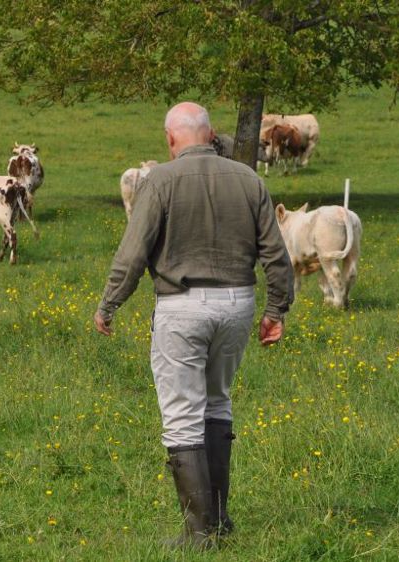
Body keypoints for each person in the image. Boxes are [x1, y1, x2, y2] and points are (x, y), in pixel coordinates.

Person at [93, 102, 294, 549]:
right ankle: (219, 521)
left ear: (170, 139)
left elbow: (133, 252)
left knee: (182, 415)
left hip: (181, 306)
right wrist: (276, 309)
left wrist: (109, 303)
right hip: (238, 303)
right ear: (208, 134)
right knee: (217, 403)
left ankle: (199, 533)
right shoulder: (249, 178)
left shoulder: (160, 180)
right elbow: (276, 254)